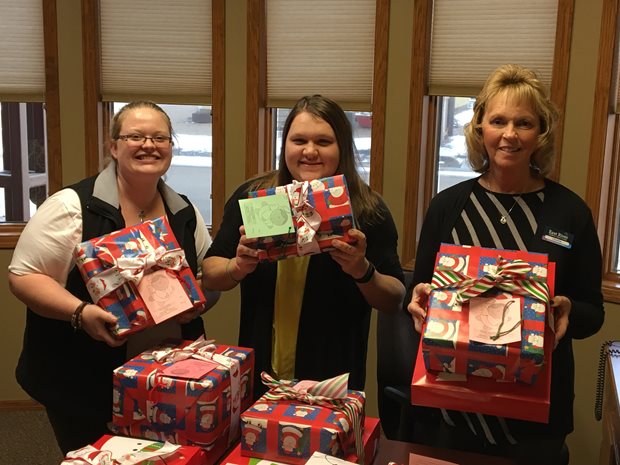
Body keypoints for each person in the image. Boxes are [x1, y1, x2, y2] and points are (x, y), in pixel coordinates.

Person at [406, 64, 604, 464]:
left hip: (534, 420)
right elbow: (424, 290)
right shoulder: (448, 207)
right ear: (480, 127)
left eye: (524, 123)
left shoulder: (571, 213)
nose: (510, 134)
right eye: (498, 120)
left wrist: (567, 310)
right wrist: (419, 299)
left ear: (541, 133)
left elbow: (593, 312)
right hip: (452, 409)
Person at [8, 101, 220, 454]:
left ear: (170, 147)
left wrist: (196, 306)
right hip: (79, 377)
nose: (148, 145)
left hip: (161, 379)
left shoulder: (184, 211)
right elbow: (24, 277)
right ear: (113, 146)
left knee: (161, 457)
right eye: (135, 136)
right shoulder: (72, 205)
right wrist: (80, 312)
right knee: (95, 457)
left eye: (160, 138)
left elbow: (205, 278)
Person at [202, 94, 405, 397]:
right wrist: (237, 266)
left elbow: (394, 299)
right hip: (260, 379)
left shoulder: (367, 210)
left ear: (342, 148)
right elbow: (209, 273)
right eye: (299, 140)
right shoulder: (257, 197)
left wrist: (361, 270)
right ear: (285, 146)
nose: (310, 151)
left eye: (323, 141)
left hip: (332, 383)